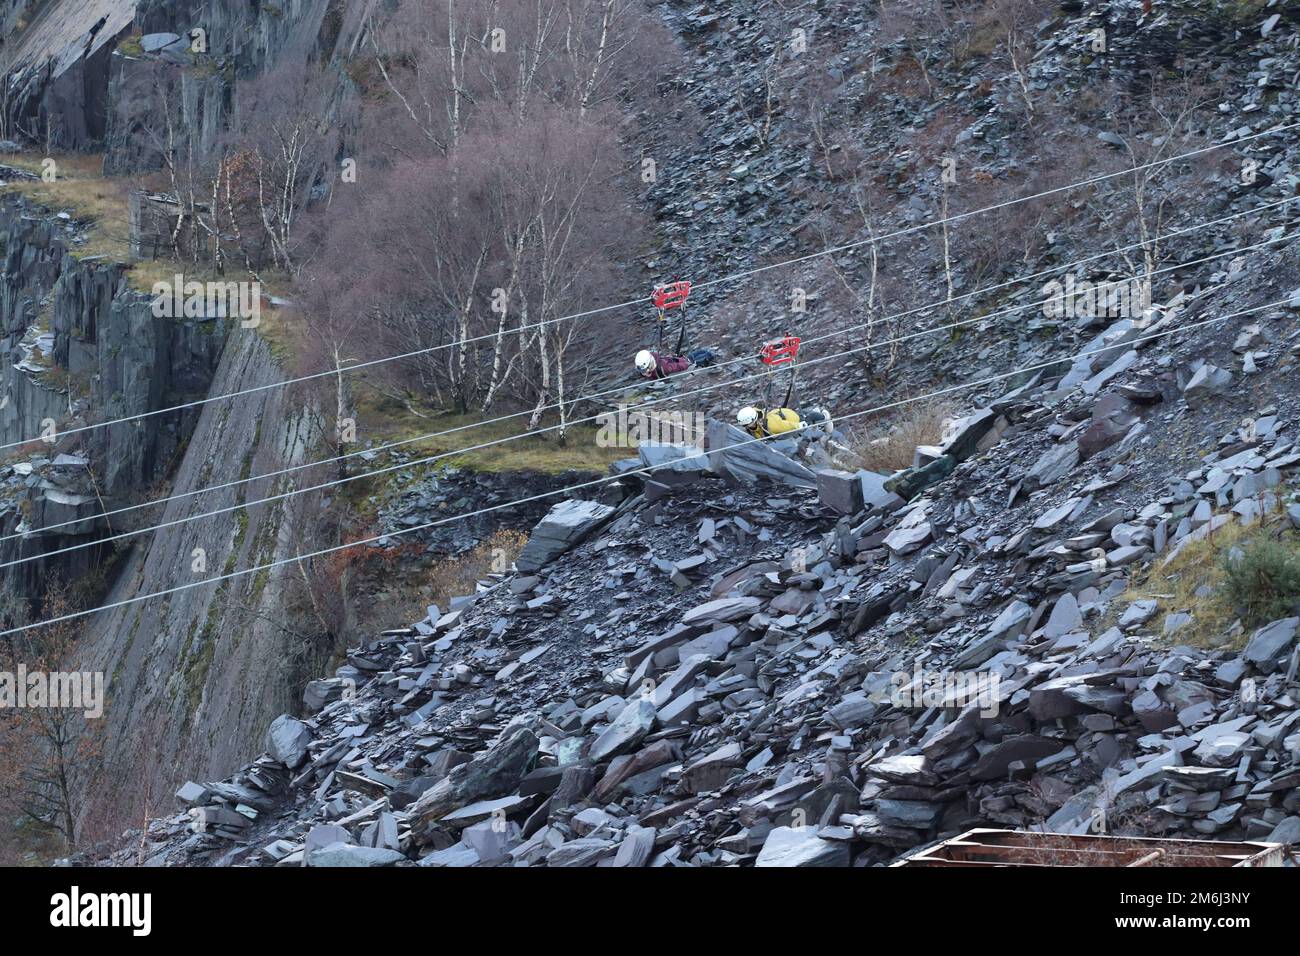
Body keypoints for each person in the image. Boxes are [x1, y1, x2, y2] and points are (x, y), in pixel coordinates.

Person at [737, 404, 832, 440]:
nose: (746, 427)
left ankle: (823, 416)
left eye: (746, 424)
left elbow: (789, 426)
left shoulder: (771, 425)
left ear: (753, 420)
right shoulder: (753, 426)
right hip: (779, 415)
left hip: (789, 418)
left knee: (805, 421)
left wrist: (801, 425)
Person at [635, 347, 716, 380]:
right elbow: (678, 367)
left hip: (680, 360)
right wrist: (688, 363)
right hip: (686, 365)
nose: (645, 373)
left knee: (701, 351)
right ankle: (712, 356)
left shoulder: (655, 362)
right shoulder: (664, 368)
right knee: (707, 355)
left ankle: (710, 353)